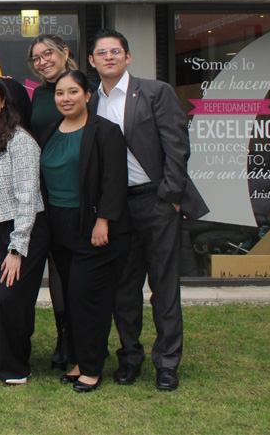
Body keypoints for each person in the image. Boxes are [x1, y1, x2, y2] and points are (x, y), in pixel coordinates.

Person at [88, 28, 209, 391]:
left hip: (156, 201)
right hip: (116, 206)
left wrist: (171, 196)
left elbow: (177, 146)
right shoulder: (90, 101)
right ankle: (130, 359)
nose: (108, 57)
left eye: (115, 51)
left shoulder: (155, 92)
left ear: (127, 57)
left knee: (164, 287)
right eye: (101, 52)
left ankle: (167, 363)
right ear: (91, 61)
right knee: (124, 289)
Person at [38, 70, 132, 393]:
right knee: (70, 299)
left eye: (73, 92)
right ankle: (79, 360)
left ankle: (92, 368)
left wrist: (103, 220)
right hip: (58, 227)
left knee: (85, 298)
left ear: (87, 96)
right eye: (60, 93)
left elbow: (115, 181)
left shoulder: (105, 132)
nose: (65, 98)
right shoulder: (51, 131)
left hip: (92, 228)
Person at [0, 74, 48, 385]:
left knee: (7, 297)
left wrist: (17, 249)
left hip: (26, 228)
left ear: (3, 101)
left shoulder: (21, 140)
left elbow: (28, 197)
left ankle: (16, 368)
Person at [26, 34, 92, 370]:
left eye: (47, 54)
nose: (42, 62)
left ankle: (82, 344)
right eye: (35, 58)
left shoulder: (85, 88)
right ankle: (63, 337)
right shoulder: (37, 95)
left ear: (64, 53)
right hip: (46, 193)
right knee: (58, 272)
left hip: (80, 193)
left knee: (78, 274)